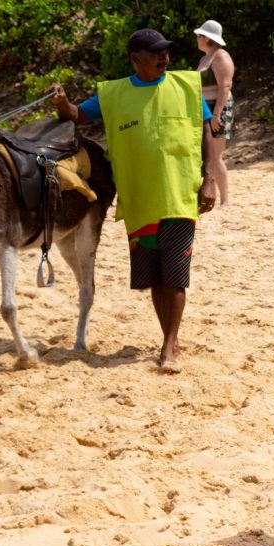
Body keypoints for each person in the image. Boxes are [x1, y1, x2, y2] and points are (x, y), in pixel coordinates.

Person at [47, 28, 215, 374]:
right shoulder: (114, 95)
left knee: (176, 274)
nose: (164, 58)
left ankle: (169, 347)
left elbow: (208, 131)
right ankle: (170, 335)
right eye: (156, 54)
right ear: (135, 59)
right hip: (139, 199)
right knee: (154, 276)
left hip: (180, 195)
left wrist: (209, 179)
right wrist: (62, 103)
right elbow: (79, 115)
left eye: (165, 52)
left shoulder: (186, 86)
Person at [194, 20, 235, 207]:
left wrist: (217, 114)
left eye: (199, 35)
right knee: (206, 154)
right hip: (206, 108)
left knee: (216, 155)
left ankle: (226, 200)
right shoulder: (205, 58)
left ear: (206, 38)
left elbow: (225, 86)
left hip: (218, 108)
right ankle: (215, 196)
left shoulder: (221, 56)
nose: (196, 39)